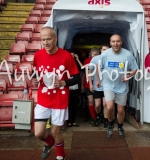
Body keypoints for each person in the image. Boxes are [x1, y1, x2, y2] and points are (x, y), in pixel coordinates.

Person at [32, 26, 80, 160]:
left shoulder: (66, 56)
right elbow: (35, 72)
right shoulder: (38, 55)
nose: (45, 42)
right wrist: (35, 81)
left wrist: (64, 83)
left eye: (48, 39)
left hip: (60, 99)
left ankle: (61, 156)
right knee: (39, 133)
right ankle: (49, 142)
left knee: (55, 130)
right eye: (43, 40)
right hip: (43, 99)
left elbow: (77, 77)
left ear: (55, 38)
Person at [97, 34, 138, 138]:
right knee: (109, 107)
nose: (115, 43)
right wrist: (98, 79)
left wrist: (129, 75)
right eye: (113, 41)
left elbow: (135, 69)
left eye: (118, 41)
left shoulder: (128, 55)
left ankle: (120, 127)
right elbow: (99, 67)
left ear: (121, 42)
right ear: (110, 43)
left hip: (122, 86)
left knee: (120, 110)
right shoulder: (105, 54)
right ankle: (110, 125)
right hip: (108, 84)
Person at [88, 44, 110, 128]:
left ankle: (105, 120)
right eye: (104, 49)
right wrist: (90, 84)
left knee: (105, 104)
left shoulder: (111, 59)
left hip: (107, 86)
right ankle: (98, 115)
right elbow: (90, 71)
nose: (105, 51)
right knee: (97, 105)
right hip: (97, 85)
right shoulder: (95, 58)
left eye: (107, 50)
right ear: (101, 50)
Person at [81, 48, 99, 126]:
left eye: (96, 54)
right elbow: (83, 74)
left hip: (98, 84)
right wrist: (82, 84)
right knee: (91, 100)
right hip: (88, 84)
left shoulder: (101, 60)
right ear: (90, 54)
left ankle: (98, 116)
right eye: (93, 54)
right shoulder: (87, 61)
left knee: (97, 103)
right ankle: (93, 118)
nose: (95, 56)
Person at [66, 49, 82, 127]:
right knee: (68, 104)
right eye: (70, 55)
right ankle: (68, 121)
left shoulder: (76, 63)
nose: (72, 57)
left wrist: (77, 59)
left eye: (73, 55)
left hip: (75, 87)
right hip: (67, 86)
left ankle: (74, 121)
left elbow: (82, 69)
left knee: (74, 104)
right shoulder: (64, 63)